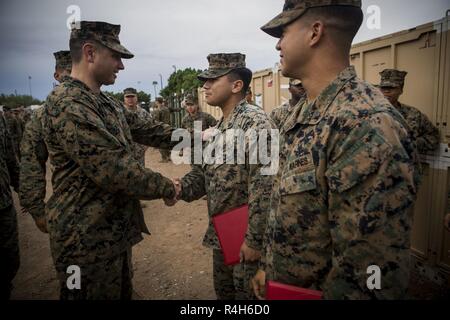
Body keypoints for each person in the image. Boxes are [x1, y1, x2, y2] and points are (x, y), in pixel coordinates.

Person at [252, 0, 420, 300]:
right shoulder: (302, 112)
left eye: (284, 31)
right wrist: (269, 266)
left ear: (315, 32)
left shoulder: (367, 126)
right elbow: (283, 207)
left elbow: (369, 280)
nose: (278, 44)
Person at [40, 21, 180, 300]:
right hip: (84, 243)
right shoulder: (68, 104)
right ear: (90, 53)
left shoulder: (103, 102)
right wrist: (168, 187)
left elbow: (147, 129)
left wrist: (196, 139)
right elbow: (114, 168)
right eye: (115, 56)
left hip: (110, 235)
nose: (121, 65)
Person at [173, 53, 274, 299]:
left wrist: (254, 240)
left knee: (248, 296)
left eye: (213, 80)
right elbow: (205, 175)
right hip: (224, 231)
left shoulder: (256, 123)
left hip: (245, 236)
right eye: (204, 81)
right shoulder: (220, 127)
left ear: (236, 85)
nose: (205, 86)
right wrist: (176, 188)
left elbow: (267, 186)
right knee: (226, 293)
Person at [19, 50, 72, 233]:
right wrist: (37, 210)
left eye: (75, 72)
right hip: (71, 208)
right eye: (67, 73)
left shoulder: (100, 107)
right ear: (56, 76)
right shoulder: (42, 115)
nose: (71, 78)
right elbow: (31, 162)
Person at [379, 69, 440, 154]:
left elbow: (434, 138)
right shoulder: (371, 114)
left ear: (401, 90)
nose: (386, 91)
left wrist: (410, 143)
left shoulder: (414, 114)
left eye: (392, 87)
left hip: (406, 165)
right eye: (383, 88)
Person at [0, 111, 20, 299]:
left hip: (2, 204)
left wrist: (23, 188)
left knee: (9, 259)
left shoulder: (0, 118)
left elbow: (9, 155)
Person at [123, 87, 152, 166]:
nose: (130, 99)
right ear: (124, 99)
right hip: (124, 153)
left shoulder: (144, 113)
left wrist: (145, 147)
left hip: (139, 152)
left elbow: (151, 129)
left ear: (136, 98)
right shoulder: (119, 113)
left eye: (132, 96)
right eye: (127, 97)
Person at [152, 97, 172, 162]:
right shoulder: (166, 108)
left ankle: (164, 158)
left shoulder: (158, 110)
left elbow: (156, 120)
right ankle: (168, 157)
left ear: (157, 102)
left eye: (155, 101)